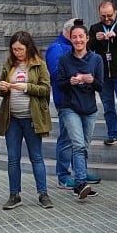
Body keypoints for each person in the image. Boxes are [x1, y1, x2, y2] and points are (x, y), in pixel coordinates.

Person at [0, 31, 54, 211]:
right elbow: (0, 90)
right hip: (12, 119)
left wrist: (27, 87)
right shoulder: (9, 64)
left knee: (36, 157)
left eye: (20, 49)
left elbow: (46, 89)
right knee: (13, 158)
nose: (17, 53)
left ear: (28, 48)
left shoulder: (39, 64)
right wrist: (1, 88)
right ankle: (14, 195)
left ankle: (43, 194)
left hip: (32, 118)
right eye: (14, 49)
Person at [54, 24, 104, 200]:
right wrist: (70, 81)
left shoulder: (96, 59)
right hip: (70, 107)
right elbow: (60, 84)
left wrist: (91, 80)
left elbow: (101, 85)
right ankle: (80, 183)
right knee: (78, 145)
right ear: (70, 39)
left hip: (89, 109)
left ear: (87, 38)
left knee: (84, 146)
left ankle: (80, 182)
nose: (78, 40)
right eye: (74, 37)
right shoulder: (64, 59)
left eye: (81, 36)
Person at [89, 1, 117, 146]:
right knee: (108, 106)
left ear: (115, 13)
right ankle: (112, 133)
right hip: (103, 74)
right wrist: (96, 39)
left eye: (109, 15)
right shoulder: (95, 28)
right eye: (103, 16)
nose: (107, 19)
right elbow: (88, 48)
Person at [45, 18, 77, 190]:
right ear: (69, 31)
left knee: (78, 139)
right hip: (65, 99)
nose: (79, 37)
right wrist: (79, 73)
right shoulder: (56, 48)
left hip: (79, 98)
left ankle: (80, 171)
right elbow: (56, 73)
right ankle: (63, 176)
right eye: (76, 34)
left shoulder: (72, 46)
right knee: (66, 138)